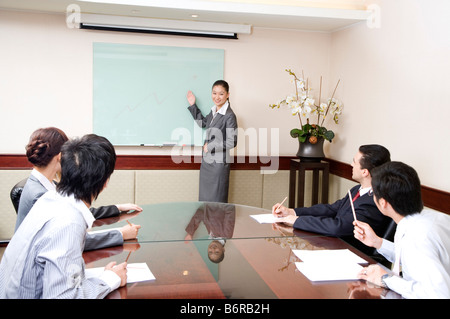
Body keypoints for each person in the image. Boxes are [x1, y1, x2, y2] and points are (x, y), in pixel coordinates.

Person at [0, 134, 127, 298]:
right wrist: (111, 279)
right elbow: (62, 296)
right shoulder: (69, 223)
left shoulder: (50, 199)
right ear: (104, 182)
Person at [15, 127, 142, 251]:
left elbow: (76, 211)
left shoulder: (45, 184)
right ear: (60, 156)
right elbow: (70, 240)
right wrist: (121, 234)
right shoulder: (41, 195)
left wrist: (116, 208)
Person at [354, 161, 450, 299]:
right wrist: (378, 242)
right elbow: (413, 256)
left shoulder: (417, 236)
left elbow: (438, 294)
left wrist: (386, 278)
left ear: (383, 203)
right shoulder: (430, 219)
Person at [272, 144, 391, 255]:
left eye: (354, 162)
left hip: (354, 258)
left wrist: (297, 220)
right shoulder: (357, 189)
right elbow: (331, 209)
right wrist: (292, 212)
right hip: (336, 248)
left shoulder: (374, 201)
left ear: (365, 172)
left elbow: (337, 227)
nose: (351, 165)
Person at [186, 80, 238, 203]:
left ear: (227, 94)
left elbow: (232, 141)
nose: (217, 97)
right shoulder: (214, 111)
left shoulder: (229, 115)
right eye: (214, 93)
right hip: (207, 164)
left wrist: (211, 146)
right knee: (205, 202)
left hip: (218, 166)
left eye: (221, 94)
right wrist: (193, 105)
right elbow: (203, 123)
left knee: (216, 203)